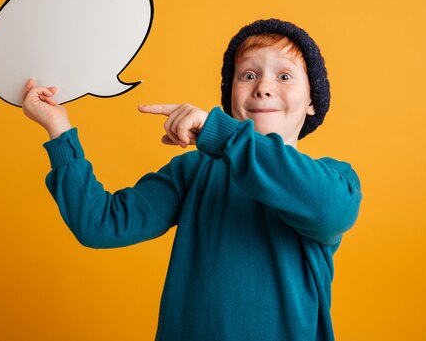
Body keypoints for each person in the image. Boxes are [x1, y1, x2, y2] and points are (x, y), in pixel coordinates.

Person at [21, 19, 362, 341]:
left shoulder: (335, 178)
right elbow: (100, 224)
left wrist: (221, 135)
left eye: (285, 76)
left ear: (313, 102)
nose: (264, 88)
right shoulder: (195, 171)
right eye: (248, 75)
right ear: (230, 97)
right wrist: (59, 130)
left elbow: (328, 208)